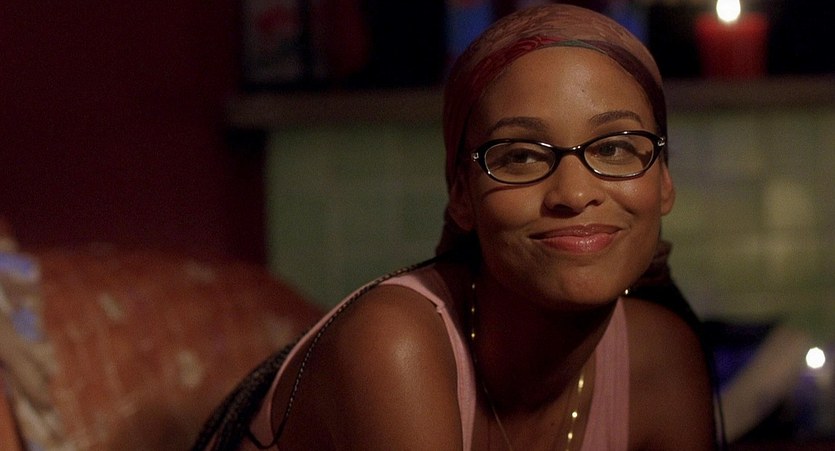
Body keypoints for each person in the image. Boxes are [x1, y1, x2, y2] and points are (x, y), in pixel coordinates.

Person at [193, 4, 718, 450]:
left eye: (615, 148)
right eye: (521, 156)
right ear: (462, 195)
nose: (575, 194)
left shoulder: (662, 359)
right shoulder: (393, 346)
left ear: (663, 181)